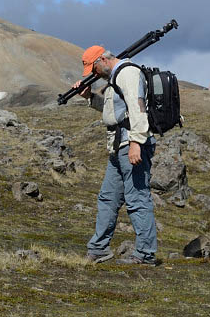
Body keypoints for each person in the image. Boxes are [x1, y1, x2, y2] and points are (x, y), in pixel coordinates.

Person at [73, 45, 158, 266]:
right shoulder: (114, 78)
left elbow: (137, 108)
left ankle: (145, 254)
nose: (94, 74)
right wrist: (89, 97)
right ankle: (99, 248)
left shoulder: (128, 73)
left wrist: (136, 143)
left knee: (137, 198)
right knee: (108, 198)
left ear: (103, 59)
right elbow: (115, 114)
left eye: (94, 68)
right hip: (118, 146)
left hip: (131, 144)